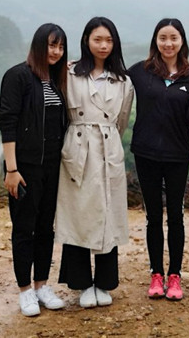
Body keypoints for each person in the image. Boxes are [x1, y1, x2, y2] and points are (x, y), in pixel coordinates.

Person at [128, 18, 189, 301]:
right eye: (163, 38)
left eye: (173, 38)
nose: (168, 43)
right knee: (153, 216)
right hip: (146, 153)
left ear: (182, 41)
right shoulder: (140, 71)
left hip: (176, 155)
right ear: (156, 40)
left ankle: (174, 275)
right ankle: (156, 273)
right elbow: (111, 78)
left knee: (175, 215)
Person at [55, 17, 134, 309]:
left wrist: (107, 141)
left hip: (108, 147)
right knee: (78, 214)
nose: (103, 45)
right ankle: (81, 283)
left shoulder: (123, 80)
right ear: (86, 40)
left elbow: (121, 121)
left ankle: (104, 282)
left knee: (107, 213)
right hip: (77, 149)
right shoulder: (69, 73)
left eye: (109, 40)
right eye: (97, 39)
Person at [0, 23, 68, 316]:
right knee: (24, 228)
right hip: (24, 167)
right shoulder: (18, 76)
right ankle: (25, 290)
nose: (56, 52)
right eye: (52, 45)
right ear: (39, 44)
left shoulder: (57, 80)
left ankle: (42, 285)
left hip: (52, 166)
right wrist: (11, 169)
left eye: (61, 47)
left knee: (46, 227)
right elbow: (7, 123)